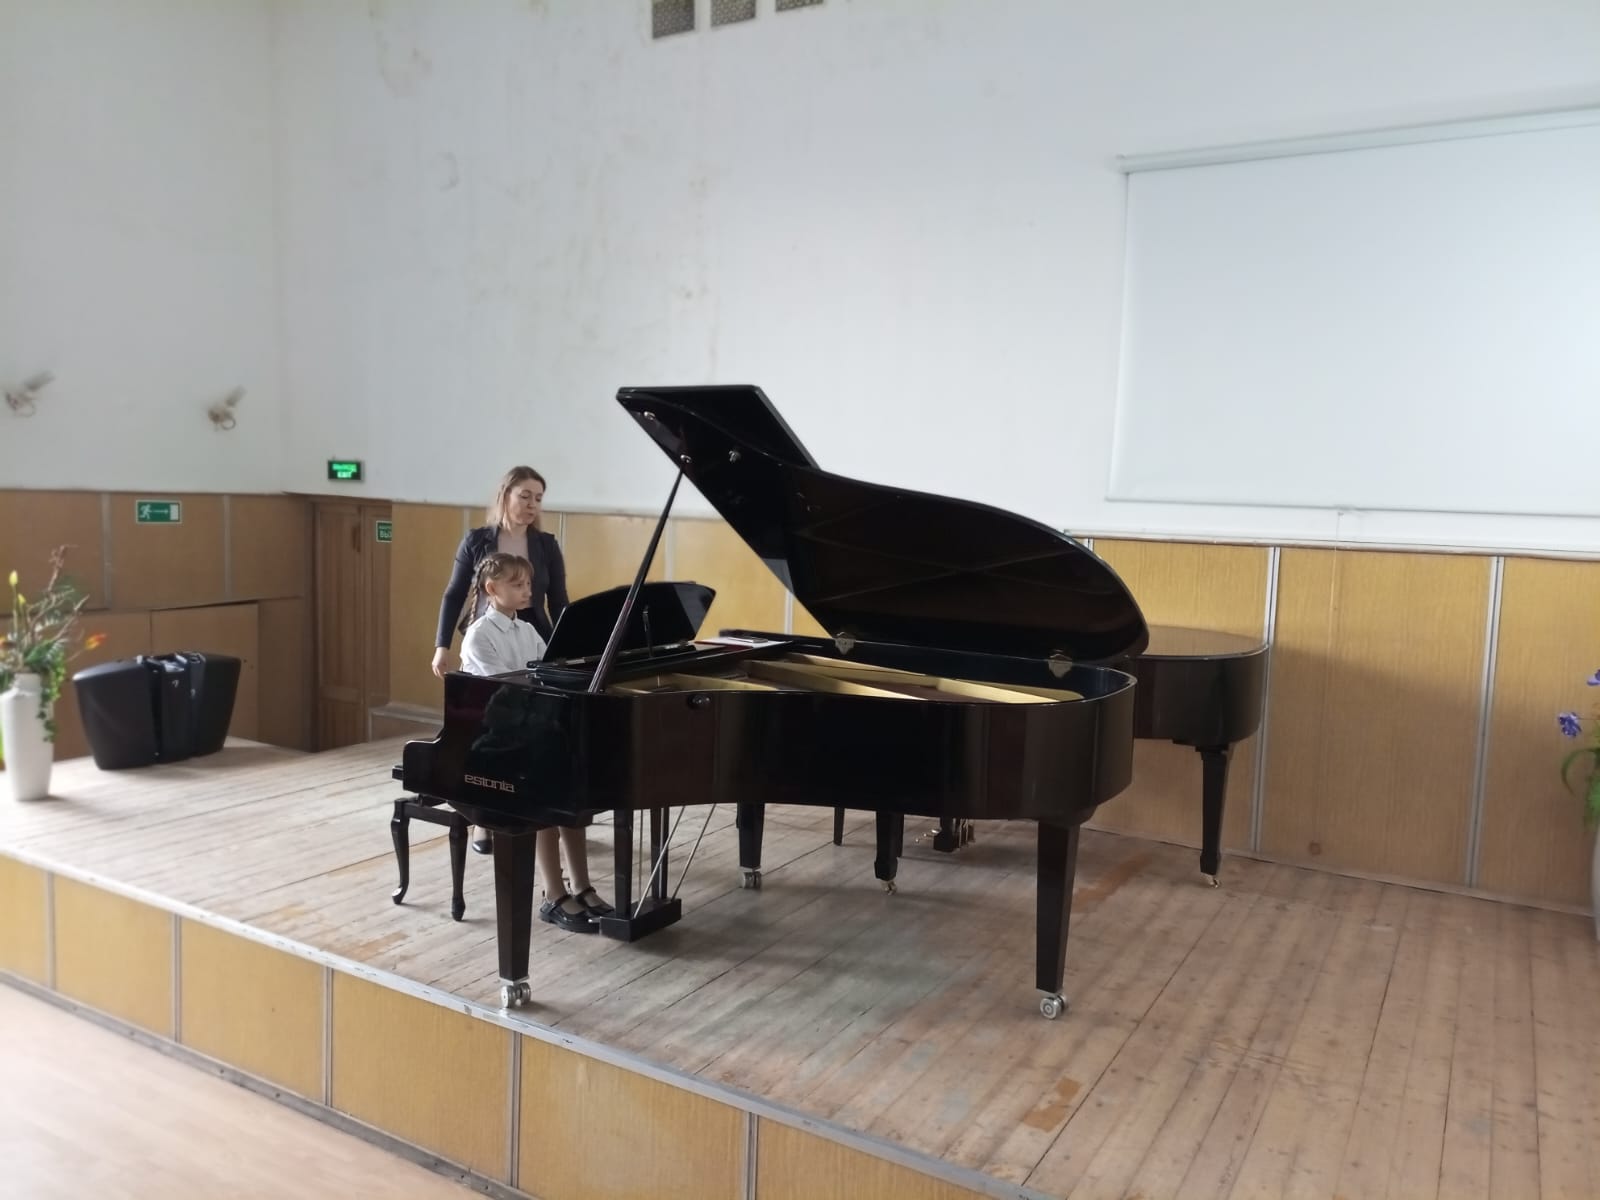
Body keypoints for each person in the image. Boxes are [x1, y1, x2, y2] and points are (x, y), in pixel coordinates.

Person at [456, 552, 612, 933]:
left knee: (573, 781)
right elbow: (505, 693)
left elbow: (550, 674)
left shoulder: (528, 631)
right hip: (491, 743)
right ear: (492, 589)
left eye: (529, 584)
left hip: (529, 732)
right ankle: (553, 893)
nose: (528, 591)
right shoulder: (479, 635)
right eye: (517, 585)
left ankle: (581, 885)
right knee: (546, 781)